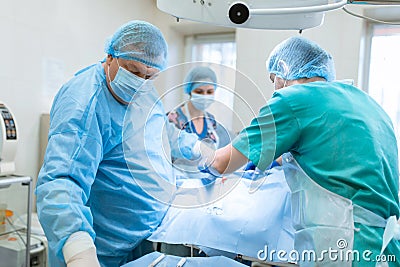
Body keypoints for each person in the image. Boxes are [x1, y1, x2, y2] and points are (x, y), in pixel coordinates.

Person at [202, 36, 400, 266]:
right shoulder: (364, 102)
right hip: (387, 247)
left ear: (284, 71)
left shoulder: (292, 100)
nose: (274, 86)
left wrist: (198, 156)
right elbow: (329, 154)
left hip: (344, 244)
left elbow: (221, 163)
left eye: (272, 78)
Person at [36, 20, 199, 267]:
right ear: (110, 56)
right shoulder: (84, 103)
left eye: (149, 76)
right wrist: (79, 252)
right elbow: (61, 182)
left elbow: (159, 131)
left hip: (141, 238)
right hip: (100, 248)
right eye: (133, 71)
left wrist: (198, 149)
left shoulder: (143, 90)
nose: (141, 81)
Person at [167, 65, 232, 150]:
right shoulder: (172, 119)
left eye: (209, 92)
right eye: (199, 91)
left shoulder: (211, 121)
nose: (205, 96)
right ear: (189, 90)